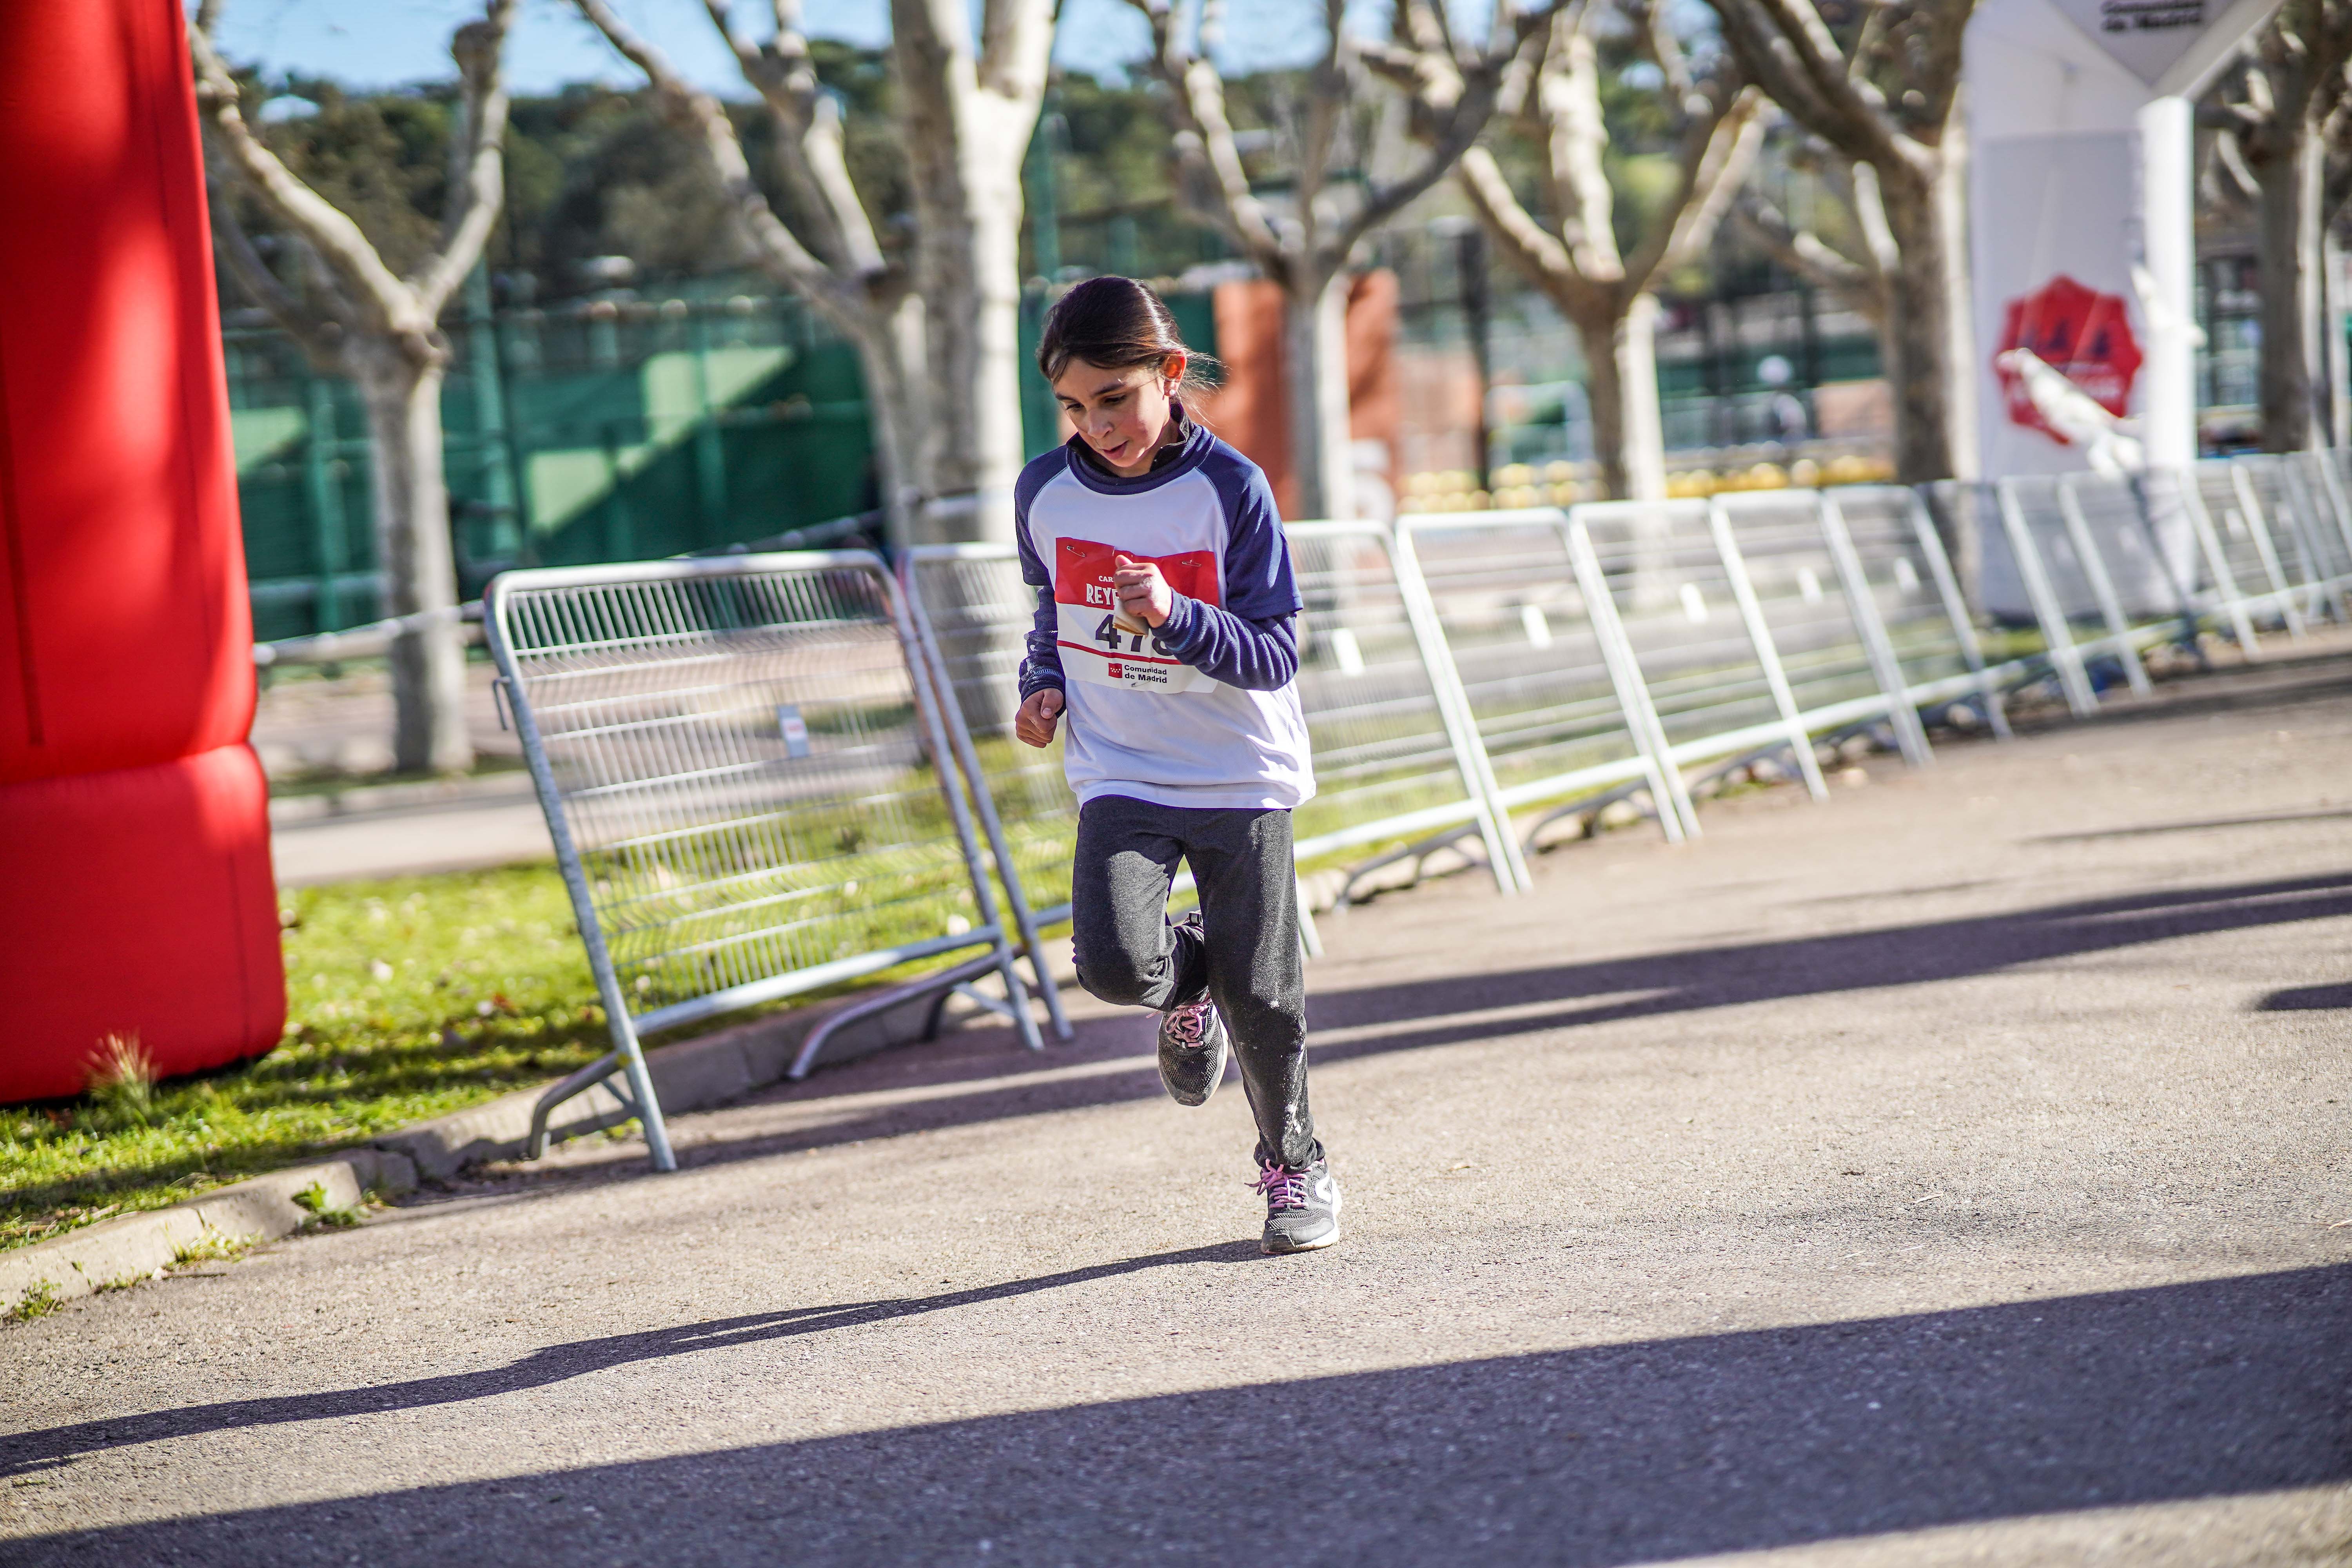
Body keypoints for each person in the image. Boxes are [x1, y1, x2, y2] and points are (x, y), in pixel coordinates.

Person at [1010, 275, 1339, 1254]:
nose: (1096, 424)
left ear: (1168, 372)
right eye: (1074, 404)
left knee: (1267, 993)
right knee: (1114, 963)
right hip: (1122, 768)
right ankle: (1190, 988)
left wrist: (1174, 614)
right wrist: (1044, 683)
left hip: (1238, 772)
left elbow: (1275, 653)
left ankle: (1296, 1166)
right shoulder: (1045, 489)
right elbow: (1053, 617)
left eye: (1115, 397)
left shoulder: (1228, 486)